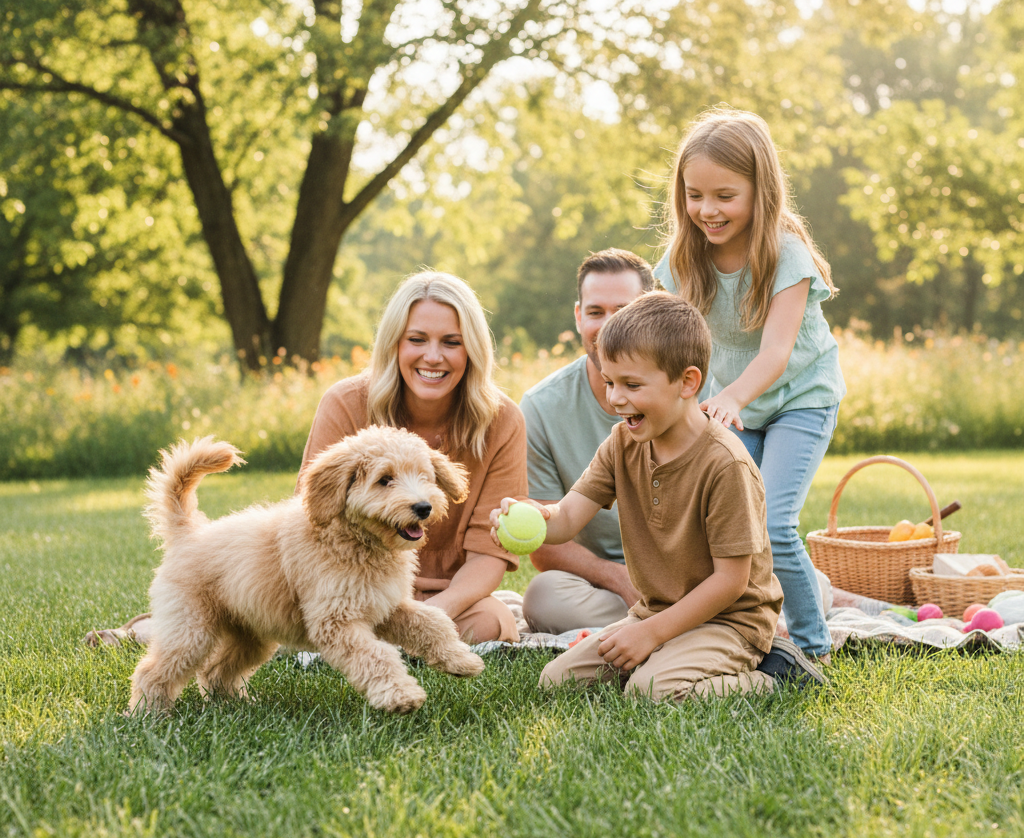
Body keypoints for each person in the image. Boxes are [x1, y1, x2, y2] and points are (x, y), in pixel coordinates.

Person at [89, 271, 524, 648]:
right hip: (338, 587)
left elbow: (489, 551)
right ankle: (156, 631)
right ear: (394, 344)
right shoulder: (347, 402)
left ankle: (385, 636)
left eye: (452, 342)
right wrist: (363, 609)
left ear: (472, 349)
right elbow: (314, 515)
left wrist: (429, 620)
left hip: (445, 594)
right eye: (417, 340)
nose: (433, 356)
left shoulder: (502, 420)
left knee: (490, 622)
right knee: (284, 627)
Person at [491, 292, 823, 702]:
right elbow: (566, 519)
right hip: (655, 612)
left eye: (632, 384)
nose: (615, 398)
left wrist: (649, 635)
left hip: (730, 621)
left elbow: (730, 582)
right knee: (557, 682)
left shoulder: (725, 464)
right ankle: (667, 654)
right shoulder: (622, 444)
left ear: (687, 382)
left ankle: (778, 678)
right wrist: (533, 514)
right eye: (610, 382)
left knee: (650, 691)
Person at [653, 108, 845, 661]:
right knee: (733, 531)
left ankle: (814, 649)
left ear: (761, 190)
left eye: (724, 196)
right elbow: (672, 340)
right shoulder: (683, 258)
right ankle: (750, 635)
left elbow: (777, 352)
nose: (707, 211)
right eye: (695, 195)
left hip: (798, 399)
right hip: (731, 404)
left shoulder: (786, 253)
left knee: (776, 525)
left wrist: (733, 396)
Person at [519, 249, 658, 635]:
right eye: (596, 312)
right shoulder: (541, 407)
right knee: (544, 597)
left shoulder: (682, 390)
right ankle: (678, 619)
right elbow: (547, 546)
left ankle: (679, 613)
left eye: (624, 310)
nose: (609, 326)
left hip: (687, 568)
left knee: (758, 574)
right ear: (579, 316)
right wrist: (618, 578)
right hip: (604, 584)